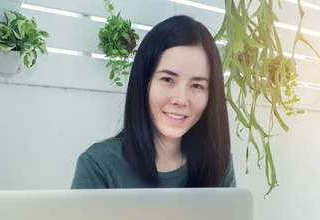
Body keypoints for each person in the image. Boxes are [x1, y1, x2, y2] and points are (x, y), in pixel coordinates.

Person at [71, 15, 236, 189]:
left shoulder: (219, 163)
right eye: (168, 79)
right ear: (143, 83)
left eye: (197, 85)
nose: (180, 100)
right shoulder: (99, 165)